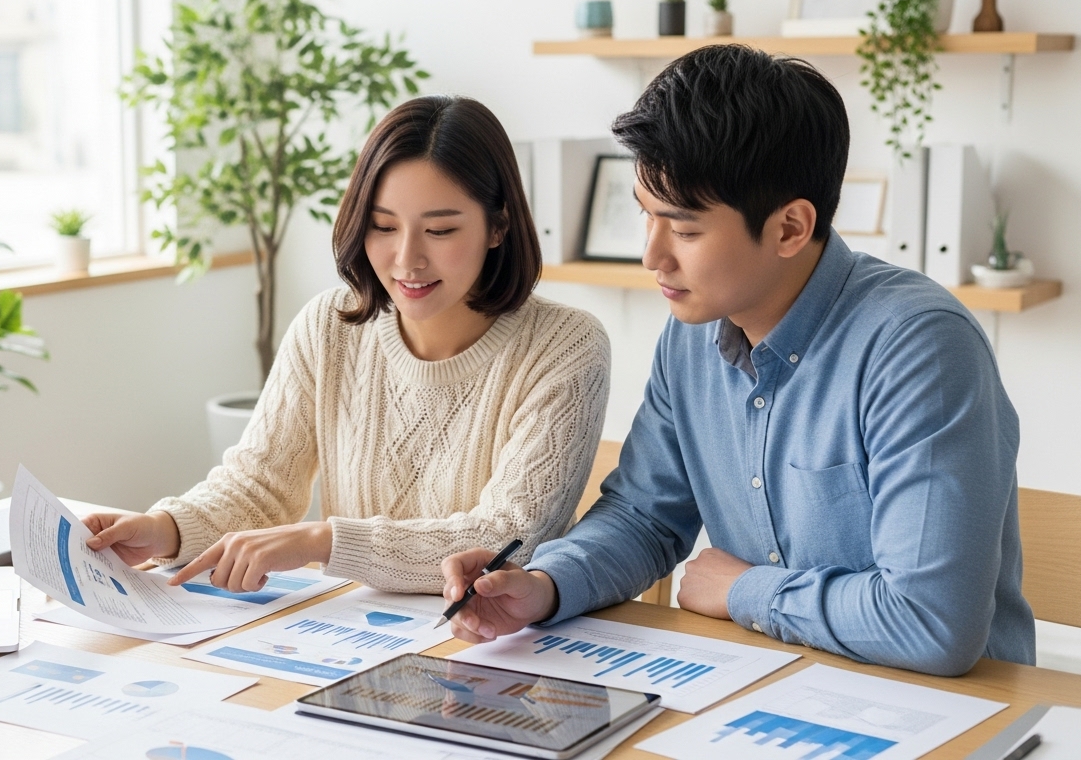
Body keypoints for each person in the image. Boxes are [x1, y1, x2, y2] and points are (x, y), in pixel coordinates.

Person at [440, 45, 1036, 677]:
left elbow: (931, 623)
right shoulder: (691, 335)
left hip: (946, 705)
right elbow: (644, 516)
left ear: (790, 228)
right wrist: (543, 586)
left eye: (684, 230)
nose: (651, 256)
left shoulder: (920, 348)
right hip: (766, 681)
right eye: (646, 216)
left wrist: (744, 591)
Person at [84, 95, 611, 595]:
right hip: (346, 632)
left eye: (440, 231)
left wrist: (324, 540)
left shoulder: (565, 346)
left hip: (488, 636)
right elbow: (259, 486)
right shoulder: (328, 326)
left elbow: (509, 536)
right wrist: (165, 528)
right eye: (383, 226)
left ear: (498, 227)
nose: (407, 259)